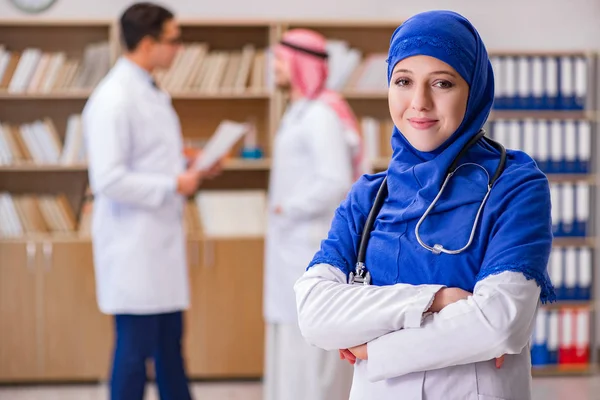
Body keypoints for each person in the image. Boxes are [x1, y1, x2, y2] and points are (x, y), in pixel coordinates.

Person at [294, 10, 555, 400]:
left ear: (474, 89)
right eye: (403, 81)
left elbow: (499, 323)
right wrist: (436, 300)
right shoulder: (369, 197)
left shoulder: (514, 187)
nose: (419, 103)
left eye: (443, 83)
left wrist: (374, 348)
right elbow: (315, 314)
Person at [83, 3, 219, 399]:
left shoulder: (149, 89)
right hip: (133, 248)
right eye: (173, 40)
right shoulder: (114, 98)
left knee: (170, 348)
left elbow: (147, 157)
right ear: (147, 43)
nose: (179, 49)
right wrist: (175, 183)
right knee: (134, 354)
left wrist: (189, 162)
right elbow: (108, 179)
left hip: (157, 245)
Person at [262, 29, 366, 400]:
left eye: (278, 60)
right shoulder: (300, 112)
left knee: (308, 349)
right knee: (291, 344)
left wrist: (286, 207)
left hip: (308, 241)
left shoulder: (320, 114)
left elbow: (334, 180)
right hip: (290, 244)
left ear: (298, 64)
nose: (272, 67)